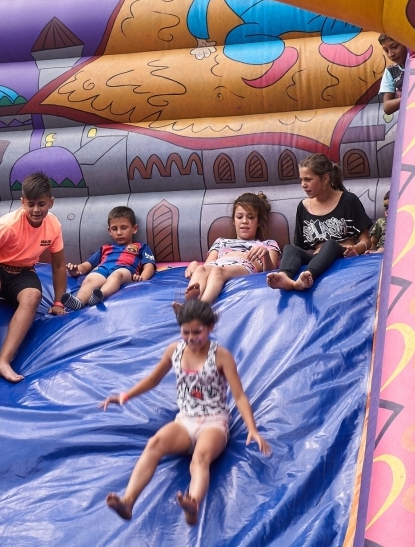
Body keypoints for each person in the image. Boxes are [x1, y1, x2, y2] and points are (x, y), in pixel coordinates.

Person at [101, 299, 270, 524]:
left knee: (200, 458)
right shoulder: (175, 350)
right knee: (154, 444)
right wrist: (125, 396)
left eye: (197, 332)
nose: (191, 338)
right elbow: (153, 379)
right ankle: (128, 502)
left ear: (210, 328)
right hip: (184, 421)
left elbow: (238, 395)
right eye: (185, 332)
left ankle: (193, 504)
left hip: (213, 422)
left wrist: (252, 429)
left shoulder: (221, 356)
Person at [0, 172, 67, 386]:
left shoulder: (54, 226)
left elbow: (59, 264)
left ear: (51, 202)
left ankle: (2, 361)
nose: (36, 210)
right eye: (31, 204)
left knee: (33, 295)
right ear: (22, 202)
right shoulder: (7, 226)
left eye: (42, 204)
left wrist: (58, 301)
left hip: (23, 272)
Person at [267, 154, 373, 292]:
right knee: (290, 248)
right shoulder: (303, 206)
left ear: (325, 179)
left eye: (308, 180)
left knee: (330, 244)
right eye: (301, 180)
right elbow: (300, 247)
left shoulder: (348, 200)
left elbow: (366, 240)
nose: (303, 185)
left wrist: (356, 249)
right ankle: (284, 277)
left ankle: (308, 275)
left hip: (342, 255)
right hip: (317, 257)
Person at [177, 193, 280, 311]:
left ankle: (200, 309)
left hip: (242, 264)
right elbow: (207, 265)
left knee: (218, 272)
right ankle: (191, 303)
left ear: (259, 222)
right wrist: (194, 264)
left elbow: (271, 273)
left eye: (250, 217)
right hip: (218, 263)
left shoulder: (268, 244)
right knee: (201, 269)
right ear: (233, 221)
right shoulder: (221, 242)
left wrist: (265, 255)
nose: (244, 221)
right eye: (239, 217)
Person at [60, 206, 156, 311]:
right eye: (114, 229)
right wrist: (76, 270)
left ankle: (101, 294)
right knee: (90, 279)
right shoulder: (105, 248)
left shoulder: (141, 247)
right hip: (103, 269)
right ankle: (79, 301)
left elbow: (149, 265)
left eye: (124, 228)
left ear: (134, 229)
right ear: (109, 231)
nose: (119, 232)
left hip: (125, 269)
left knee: (116, 275)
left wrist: (142, 279)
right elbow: (87, 265)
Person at [378, 35, 408, 116]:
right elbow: (387, 107)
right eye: (386, 50)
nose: (391, 54)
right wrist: (410, 97)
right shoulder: (391, 72)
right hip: (408, 119)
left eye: (394, 46)